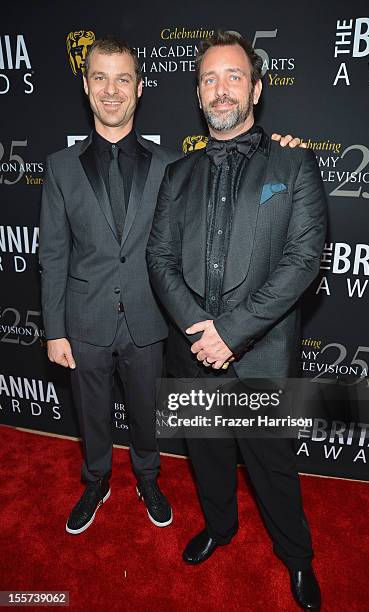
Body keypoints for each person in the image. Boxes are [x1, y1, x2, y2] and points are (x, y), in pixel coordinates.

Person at [39, 35, 302, 537]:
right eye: (100, 78)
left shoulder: (172, 166)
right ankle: (95, 481)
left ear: (140, 89)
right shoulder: (59, 168)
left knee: (146, 413)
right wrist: (54, 328)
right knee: (90, 414)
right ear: (86, 87)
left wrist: (280, 146)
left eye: (123, 79)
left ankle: (147, 477)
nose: (111, 90)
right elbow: (52, 253)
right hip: (84, 318)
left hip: (151, 320)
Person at [146, 32, 326, 610]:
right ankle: (220, 527)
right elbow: (160, 258)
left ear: (256, 87)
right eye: (208, 80)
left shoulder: (293, 162)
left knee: (273, 464)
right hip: (193, 351)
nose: (220, 90)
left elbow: (305, 259)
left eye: (232, 77)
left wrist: (233, 332)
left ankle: (297, 558)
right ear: (198, 94)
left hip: (262, 354)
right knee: (208, 454)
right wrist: (202, 330)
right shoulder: (177, 175)